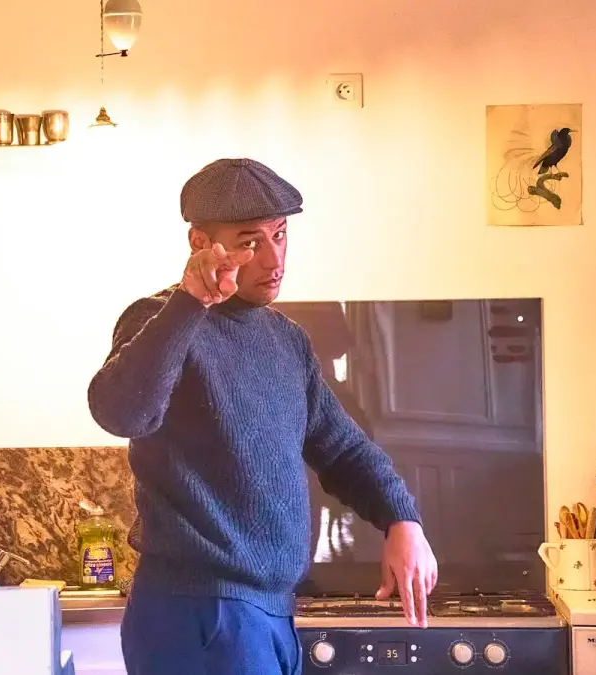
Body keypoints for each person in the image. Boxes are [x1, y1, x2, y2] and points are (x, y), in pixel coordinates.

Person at [87, 158, 438, 675]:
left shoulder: (285, 340)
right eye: (251, 242)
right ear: (199, 243)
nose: (273, 258)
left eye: (280, 235)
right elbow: (120, 413)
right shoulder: (160, 318)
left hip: (269, 612)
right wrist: (190, 303)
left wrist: (402, 519)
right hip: (200, 613)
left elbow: (341, 448)